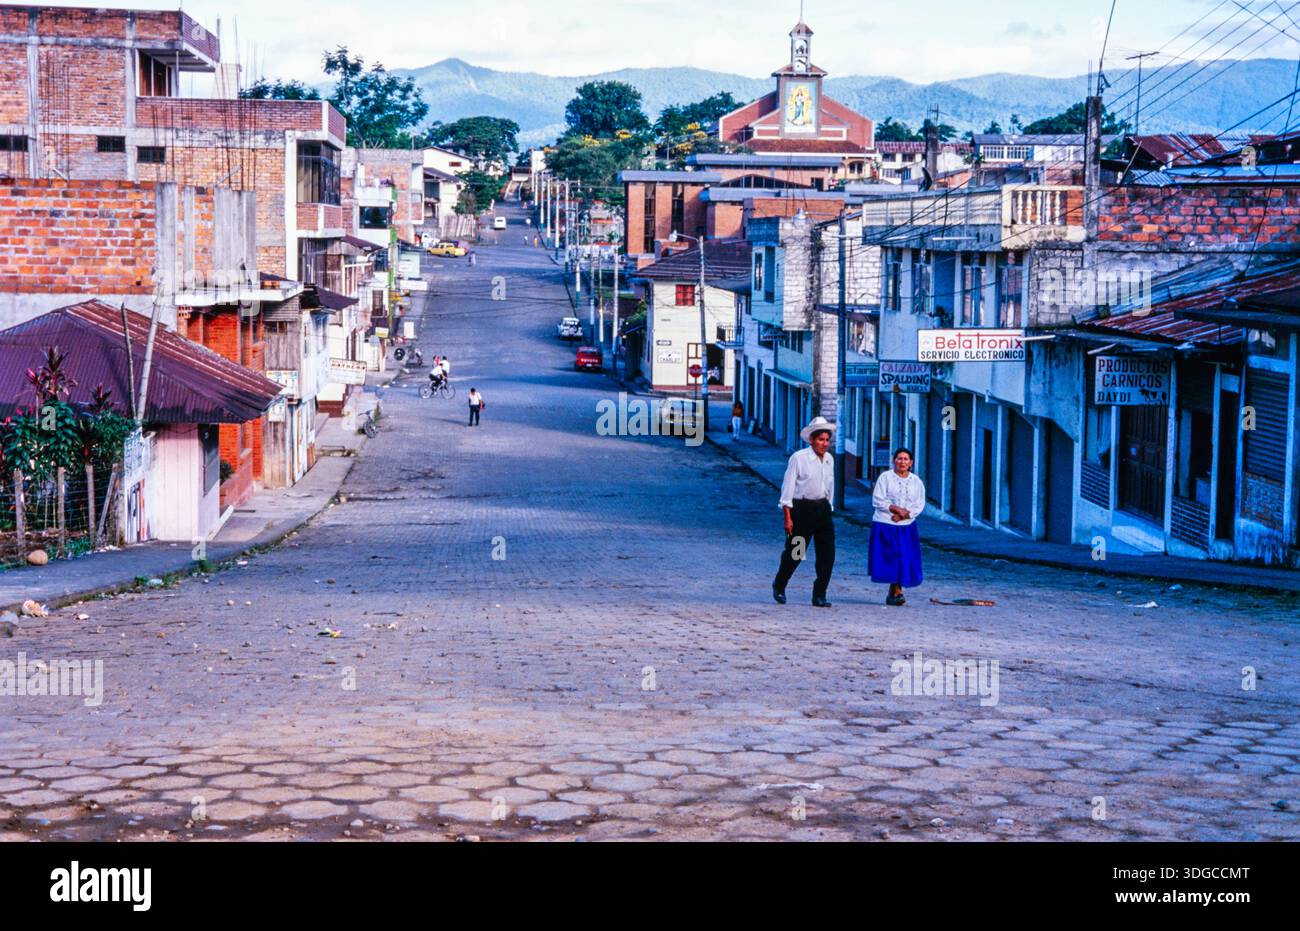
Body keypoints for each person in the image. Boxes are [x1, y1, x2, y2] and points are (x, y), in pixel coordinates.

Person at [772, 417, 837, 609]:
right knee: (796, 552)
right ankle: (780, 585)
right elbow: (788, 486)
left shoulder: (829, 459)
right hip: (802, 511)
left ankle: (819, 594)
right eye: (820, 440)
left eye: (827, 440)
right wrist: (788, 516)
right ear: (811, 440)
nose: (824, 444)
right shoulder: (799, 458)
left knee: (827, 555)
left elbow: (830, 487)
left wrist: (829, 509)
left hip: (823, 511)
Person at [870, 448, 926, 607]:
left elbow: (919, 504)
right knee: (893, 556)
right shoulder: (885, 477)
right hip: (886, 523)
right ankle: (896, 590)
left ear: (911, 463)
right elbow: (877, 500)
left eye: (906, 459)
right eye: (899, 458)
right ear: (894, 460)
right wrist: (895, 509)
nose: (902, 462)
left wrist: (904, 515)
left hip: (906, 525)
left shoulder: (916, 481)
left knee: (904, 556)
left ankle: (895, 590)